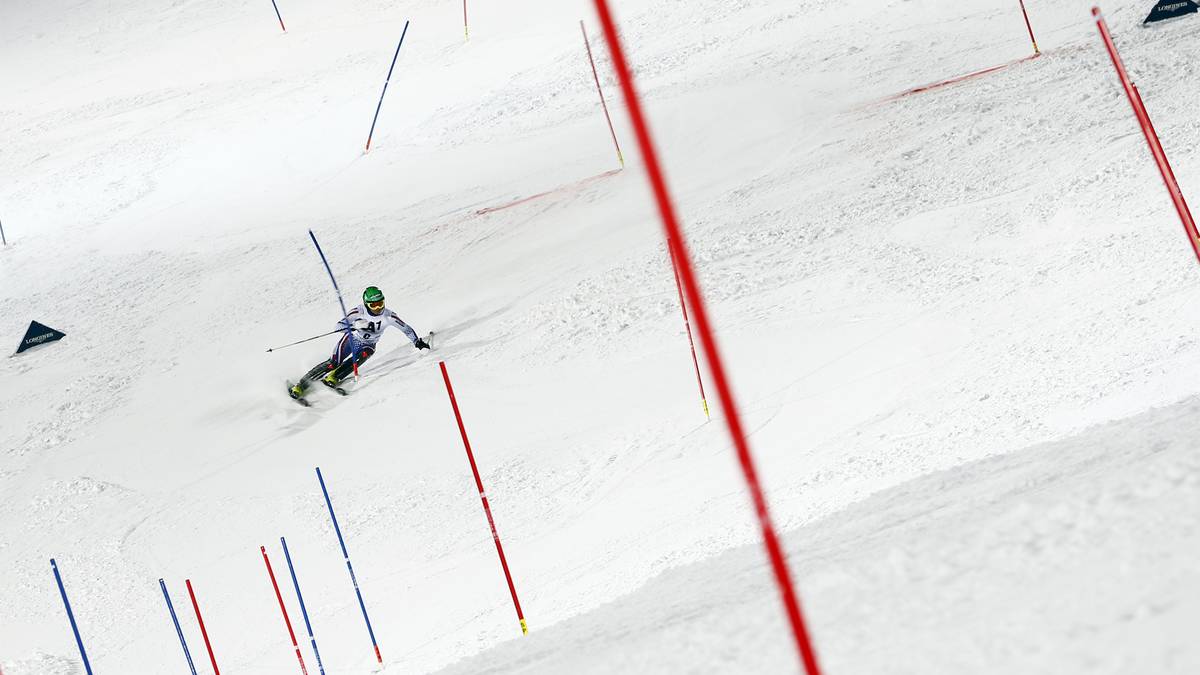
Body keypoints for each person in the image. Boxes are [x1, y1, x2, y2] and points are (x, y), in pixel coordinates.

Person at [290, 286, 429, 399]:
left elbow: (405, 328)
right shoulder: (358, 312)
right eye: (373, 305)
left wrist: (417, 341)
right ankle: (300, 386)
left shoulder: (389, 316)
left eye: (380, 304)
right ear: (366, 304)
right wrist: (354, 325)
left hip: (369, 344)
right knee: (333, 363)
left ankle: (334, 377)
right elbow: (338, 326)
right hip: (352, 339)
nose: (378, 308)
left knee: (364, 354)